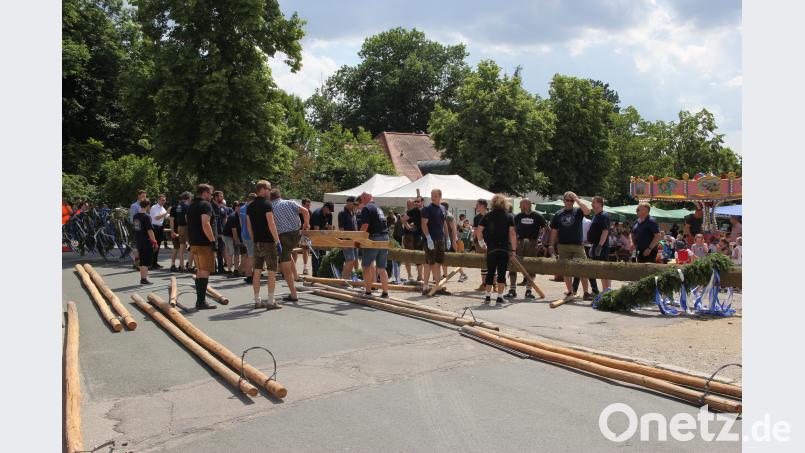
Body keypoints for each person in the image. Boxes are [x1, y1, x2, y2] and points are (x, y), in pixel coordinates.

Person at [547, 192, 591, 298]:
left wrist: (576, 199)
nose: (570, 202)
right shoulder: (558, 214)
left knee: (582, 269)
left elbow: (588, 211)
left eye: (572, 200)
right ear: (564, 201)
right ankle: (570, 291)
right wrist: (551, 245)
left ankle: (586, 292)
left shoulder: (578, 211)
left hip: (577, 246)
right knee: (566, 270)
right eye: (568, 200)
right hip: (563, 246)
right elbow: (554, 231)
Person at [475, 194, 516, 305]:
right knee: (501, 273)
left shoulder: (488, 216)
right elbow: (512, 234)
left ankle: (487, 297)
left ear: (493, 203)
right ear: (504, 203)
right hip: (503, 248)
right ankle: (499, 297)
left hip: (491, 248)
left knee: (490, 272)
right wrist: (514, 250)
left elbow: (478, 231)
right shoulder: (509, 216)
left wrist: (482, 243)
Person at [269, 188, 310, 301]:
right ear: (280, 195)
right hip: (296, 234)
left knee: (284, 266)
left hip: (283, 236)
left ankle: (293, 294)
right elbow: (305, 211)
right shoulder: (289, 202)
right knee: (288, 253)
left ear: (270, 197)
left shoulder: (271, 207)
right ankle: (296, 276)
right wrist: (306, 225)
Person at [246, 181, 282, 309]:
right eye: (269, 189)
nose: (270, 191)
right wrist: (277, 241)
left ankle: (257, 301)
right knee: (272, 271)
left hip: (257, 242)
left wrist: (254, 239)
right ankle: (271, 301)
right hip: (268, 242)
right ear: (263, 189)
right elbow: (271, 224)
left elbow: (248, 226)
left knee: (257, 271)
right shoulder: (267, 204)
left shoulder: (250, 206)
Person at [186, 184, 218, 310]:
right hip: (204, 243)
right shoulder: (205, 205)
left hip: (195, 242)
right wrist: (213, 241)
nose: (211, 196)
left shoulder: (191, 206)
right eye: (210, 193)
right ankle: (201, 302)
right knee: (204, 271)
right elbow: (205, 223)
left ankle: (200, 300)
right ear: (204, 193)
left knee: (200, 271)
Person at [507, 198, 546, 299]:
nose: (520, 207)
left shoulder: (537, 216)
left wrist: (542, 242)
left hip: (532, 243)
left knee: (531, 266)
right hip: (519, 243)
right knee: (514, 264)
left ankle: (528, 290)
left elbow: (547, 229)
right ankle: (512, 289)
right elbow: (511, 230)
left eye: (521, 205)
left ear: (526, 205)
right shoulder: (518, 216)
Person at [358, 192, 390, 298]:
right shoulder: (378, 208)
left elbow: (365, 225)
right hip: (385, 238)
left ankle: (368, 292)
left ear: (364, 198)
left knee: (366, 266)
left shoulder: (366, 208)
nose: (361, 201)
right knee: (381, 267)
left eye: (361, 199)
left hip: (374, 238)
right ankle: (385, 292)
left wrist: (359, 238)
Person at [421, 189, 451, 295]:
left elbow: (444, 224)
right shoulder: (427, 209)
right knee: (430, 262)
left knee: (438, 263)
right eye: (432, 195)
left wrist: (447, 238)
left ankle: (437, 286)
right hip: (431, 239)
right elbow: (423, 223)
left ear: (440, 196)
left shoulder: (443, 208)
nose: (433, 197)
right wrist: (428, 237)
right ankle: (425, 286)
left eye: (435, 196)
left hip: (440, 239)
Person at [586, 196, 611, 292]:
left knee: (603, 270)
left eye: (594, 202)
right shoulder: (596, 216)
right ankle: (604, 292)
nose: (592, 204)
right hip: (595, 245)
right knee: (599, 271)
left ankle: (607, 292)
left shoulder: (603, 215)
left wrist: (600, 245)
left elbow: (605, 231)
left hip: (602, 247)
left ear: (600, 204)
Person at [132, 199, 158, 285]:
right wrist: (154, 242)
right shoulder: (146, 217)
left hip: (139, 240)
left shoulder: (135, 216)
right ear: (147, 206)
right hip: (146, 242)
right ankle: (144, 279)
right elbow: (150, 231)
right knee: (145, 262)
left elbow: (136, 228)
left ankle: (143, 278)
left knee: (142, 260)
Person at [440, 201, 466, 282]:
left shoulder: (449, 216)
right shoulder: (444, 215)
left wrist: (454, 241)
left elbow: (454, 229)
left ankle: (463, 274)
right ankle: (445, 275)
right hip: (445, 240)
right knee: (444, 258)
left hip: (450, 241)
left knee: (454, 259)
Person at [401, 197, 424, 283]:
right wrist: (409, 227)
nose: (409, 205)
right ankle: (410, 275)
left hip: (416, 235)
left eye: (411, 204)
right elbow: (402, 219)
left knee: (420, 254)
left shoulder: (419, 211)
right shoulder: (409, 212)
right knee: (408, 255)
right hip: (408, 235)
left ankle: (420, 275)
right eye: (408, 204)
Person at [310, 202, 334, 276]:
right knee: (315, 255)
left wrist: (329, 239)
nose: (329, 212)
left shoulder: (329, 214)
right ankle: (315, 274)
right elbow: (316, 230)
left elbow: (330, 227)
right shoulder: (317, 214)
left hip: (323, 236)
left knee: (323, 254)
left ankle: (321, 272)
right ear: (325, 207)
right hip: (314, 236)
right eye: (329, 210)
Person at [169, 192, 190, 272]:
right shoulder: (184, 206)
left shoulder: (175, 207)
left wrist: (172, 231)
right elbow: (172, 220)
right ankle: (180, 265)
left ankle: (175, 264)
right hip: (181, 228)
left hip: (178, 228)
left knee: (178, 247)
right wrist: (172, 231)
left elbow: (171, 220)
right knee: (179, 247)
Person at [338, 196, 359, 279]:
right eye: (354, 203)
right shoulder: (342, 213)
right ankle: (344, 279)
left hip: (355, 241)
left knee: (354, 261)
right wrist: (344, 242)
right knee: (350, 260)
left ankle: (351, 278)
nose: (355, 205)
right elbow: (341, 229)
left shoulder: (353, 213)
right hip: (347, 241)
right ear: (348, 202)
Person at [472, 199, 490, 291]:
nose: (476, 207)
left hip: (490, 243)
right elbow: (475, 231)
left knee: (492, 263)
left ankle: (493, 284)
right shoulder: (476, 218)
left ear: (483, 206)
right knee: (483, 263)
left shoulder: (491, 216)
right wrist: (473, 240)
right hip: (479, 243)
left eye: (478, 205)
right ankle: (483, 284)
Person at [293, 198, 313, 275]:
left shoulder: (310, 212)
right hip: (296, 232)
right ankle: (293, 268)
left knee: (305, 250)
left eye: (309, 205)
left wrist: (308, 227)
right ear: (303, 205)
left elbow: (310, 224)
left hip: (305, 233)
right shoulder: (297, 212)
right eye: (307, 205)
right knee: (294, 250)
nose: (309, 206)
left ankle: (305, 267)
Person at [149, 194, 168, 269]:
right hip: (154, 227)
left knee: (158, 245)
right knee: (153, 245)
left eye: (165, 200)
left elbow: (167, 216)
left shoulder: (162, 208)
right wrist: (166, 213)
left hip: (160, 227)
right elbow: (156, 218)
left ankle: (154, 262)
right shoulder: (154, 207)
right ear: (158, 200)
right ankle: (150, 263)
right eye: (162, 200)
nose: (164, 201)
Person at [240, 193, 256, 283]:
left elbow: (241, 223)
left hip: (244, 233)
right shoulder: (250, 208)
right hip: (250, 235)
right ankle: (249, 275)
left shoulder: (242, 208)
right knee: (251, 256)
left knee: (248, 255)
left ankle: (249, 273)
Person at [222, 201, 241, 276]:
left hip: (235, 235)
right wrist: (237, 241)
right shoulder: (233, 217)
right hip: (227, 236)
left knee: (237, 253)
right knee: (231, 252)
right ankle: (229, 270)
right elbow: (234, 231)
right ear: (237, 208)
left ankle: (236, 270)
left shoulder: (243, 215)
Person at [129, 190, 147, 269]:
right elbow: (132, 219)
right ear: (138, 196)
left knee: (141, 246)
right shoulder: (134, 206)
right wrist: (138, 228)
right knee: (137, 246)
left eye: (145, 196)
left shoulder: (146, 205)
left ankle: (137, 263)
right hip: (137, 229)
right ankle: (137, 262)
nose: (144, 197)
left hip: (144, 229)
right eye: (143, 196)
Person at [211, 191, 228, 274]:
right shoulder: (210, 206)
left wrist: (225, 231)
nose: (222, 198)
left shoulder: (222, 207)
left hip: (221, 232)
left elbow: (225, 219)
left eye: (222, 196)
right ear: (215, 197)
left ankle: (221, 268)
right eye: (220, 196)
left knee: (221, 250)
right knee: (213, 250)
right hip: (212, 232)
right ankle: (213, 268)